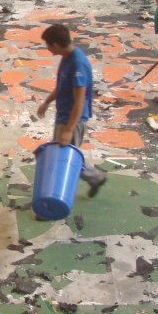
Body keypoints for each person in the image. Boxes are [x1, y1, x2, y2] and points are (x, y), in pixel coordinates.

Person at [36, 24, 108, 198]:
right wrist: (47, 102)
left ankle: (56, 199)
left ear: (55, 45)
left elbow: (80, 100)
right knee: (62, 155)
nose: (47, 48)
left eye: (48, 45)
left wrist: (69, 129)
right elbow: (61, 86)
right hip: (64, 116)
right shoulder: (66, 57)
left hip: (72, 120)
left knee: (64, 159)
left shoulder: (77, 64)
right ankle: (94, 177)